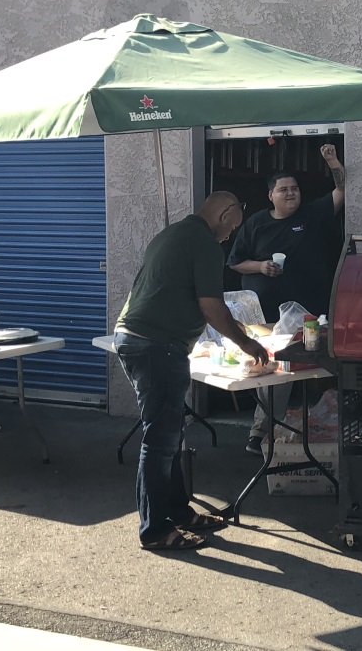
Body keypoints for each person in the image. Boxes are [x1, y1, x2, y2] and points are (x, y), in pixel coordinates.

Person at [114, 192, 269, 551]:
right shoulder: (203, 243)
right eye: (232, 228)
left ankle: (179, 513)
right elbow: (212, 306)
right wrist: (246, 343)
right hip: (156, 346)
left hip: (139, 339)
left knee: (170, 435)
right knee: (161, 440)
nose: (230, 236)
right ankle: (154, 531)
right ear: (226, 212)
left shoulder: (171, 234)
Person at [227, 144, 345, 454]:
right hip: (272, 319)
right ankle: (260, 432)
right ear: (271, 196)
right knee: (277, 373)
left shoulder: (313, 213)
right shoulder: (256, 224)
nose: (291, 193)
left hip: (313, 315)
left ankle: (327, 433)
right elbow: (235, 262)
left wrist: (332, 161)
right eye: (283, 189)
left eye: (294, 188)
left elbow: (342, 189)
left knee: (326, 369)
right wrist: (261, 266)